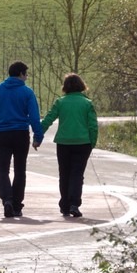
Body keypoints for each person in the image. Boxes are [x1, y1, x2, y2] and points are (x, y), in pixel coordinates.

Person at [0, 61, 44, 218]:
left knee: (3, 169)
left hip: (2, 134)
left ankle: (7, 200)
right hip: (20, 133)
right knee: (20, 170)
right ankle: (17, 204)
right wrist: (38, 136)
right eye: (26, 74)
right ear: (20, 74)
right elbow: (34, 117)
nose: (26, 77)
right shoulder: (27, 92)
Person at [38, 73, 98, 218]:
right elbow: (93, 126)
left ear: (65, 87)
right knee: (77, 174)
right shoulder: (87, 103)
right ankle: (74, 204)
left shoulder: (60, 102)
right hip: (83, 143)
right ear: (82, 86)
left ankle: (64, 205)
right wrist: (92, 142)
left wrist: (38, 136)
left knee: (64, 174)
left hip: (63, 143)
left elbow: (48, 119)